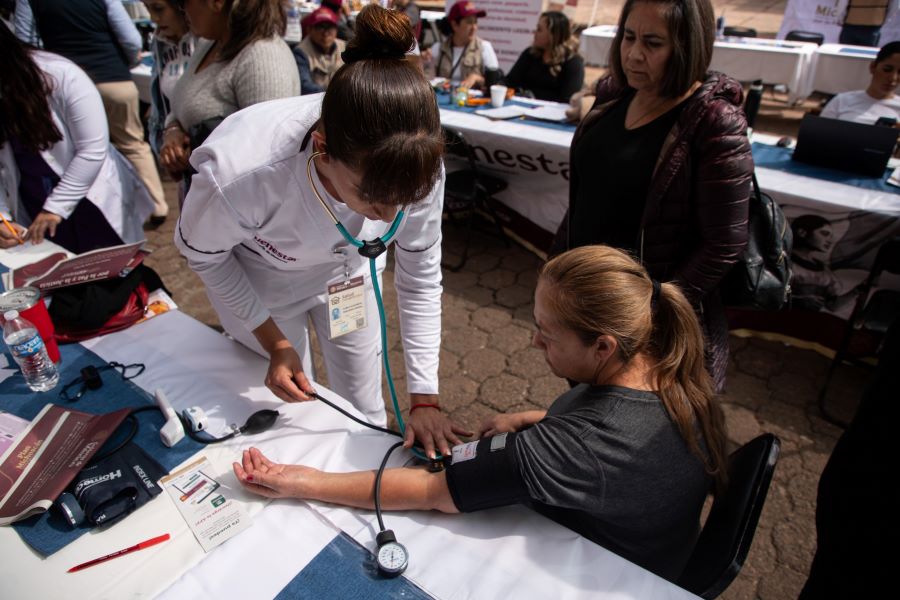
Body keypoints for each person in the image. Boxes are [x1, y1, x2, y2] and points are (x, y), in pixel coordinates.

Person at [233, 245, 729, 583]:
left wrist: (306, 482)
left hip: (605, 573)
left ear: (603, 346)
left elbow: (432, 491)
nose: (533, 342)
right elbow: (610, 436)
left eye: (547, 334)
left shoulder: (577, 448)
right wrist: (533, 418)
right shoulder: (673, 367)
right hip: (661, 542)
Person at [175, 5, 468, 458]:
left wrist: (424, 398)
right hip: (262, 283)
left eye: (404, 200)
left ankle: (367, 466)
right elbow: (203, 255)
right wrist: (273, 341)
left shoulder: (419, 162)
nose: (389, 217)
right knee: (288, 408)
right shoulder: (240, 171)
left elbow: (420, 278)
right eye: (372, 197)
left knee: (365, 404)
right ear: (322, 149)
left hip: (349, 277)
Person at [551, 0, 753, 393]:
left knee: (625, 416)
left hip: (650, 330)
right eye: (628, 37)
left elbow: (724, 244)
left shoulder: (713, 122)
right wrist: (557, 270)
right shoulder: (614, 95)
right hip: (590, 306)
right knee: (582, 403)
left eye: (653, 43)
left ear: (688, 46)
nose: (633, 54)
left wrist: (653, 308)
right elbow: (587, 196)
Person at [0, 26, 154, 252]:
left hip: (88, 197)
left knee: (114, 266)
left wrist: (55, 208)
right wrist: (2, 216)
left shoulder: (61, 75)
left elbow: (92, 149)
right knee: (55, 268)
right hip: (33, 205)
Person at [15, 0, 169, 224]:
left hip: (61, 87)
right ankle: (157, 205)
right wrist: (122, 65)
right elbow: (131, 39)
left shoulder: (29, 1)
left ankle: (85, 211)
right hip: (112, 79)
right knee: (133, 143)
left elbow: (25, 41)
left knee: (75, 151)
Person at [159, 0, 299, 184]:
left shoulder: (262, 58)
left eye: (184, 1)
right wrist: (173, 130)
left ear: (217, 2)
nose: (182, 9)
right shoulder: (210, 44)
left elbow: (268, 163)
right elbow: (181, 103)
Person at [142, 0, 195, 158]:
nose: (153, 18)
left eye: (159, 9)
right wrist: (170, 132)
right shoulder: (159, 42)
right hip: (176, 149)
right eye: (147, 8)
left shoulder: (209, 40)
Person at [503, 11, 584, 103]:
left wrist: (532, 95)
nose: (535, 33)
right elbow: (510, 81)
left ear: (553, 35)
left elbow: (568, 98)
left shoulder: (573, 62)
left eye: (539, 29)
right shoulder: (530, 54)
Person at [821, 41, 900, 125]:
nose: (893, 78)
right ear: (873, 67)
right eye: (887, 70)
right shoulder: (842, 101)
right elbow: (820, 130)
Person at [428, 0, 499, 89]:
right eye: (469, 22)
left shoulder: (484, 47)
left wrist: (476, 78)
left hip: (473, 97)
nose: (474, 27)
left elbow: (496, 83)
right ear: (454, 25)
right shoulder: (438, 48)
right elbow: (429, 79)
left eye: (475, 22)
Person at [293, 7, 345, 95]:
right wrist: (336, 92)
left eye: (330, 27)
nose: (325, 33)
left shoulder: (344, 47)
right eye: (320, 27)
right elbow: (305, 86)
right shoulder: (301, 52)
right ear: (309, 30)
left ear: (336, 30)